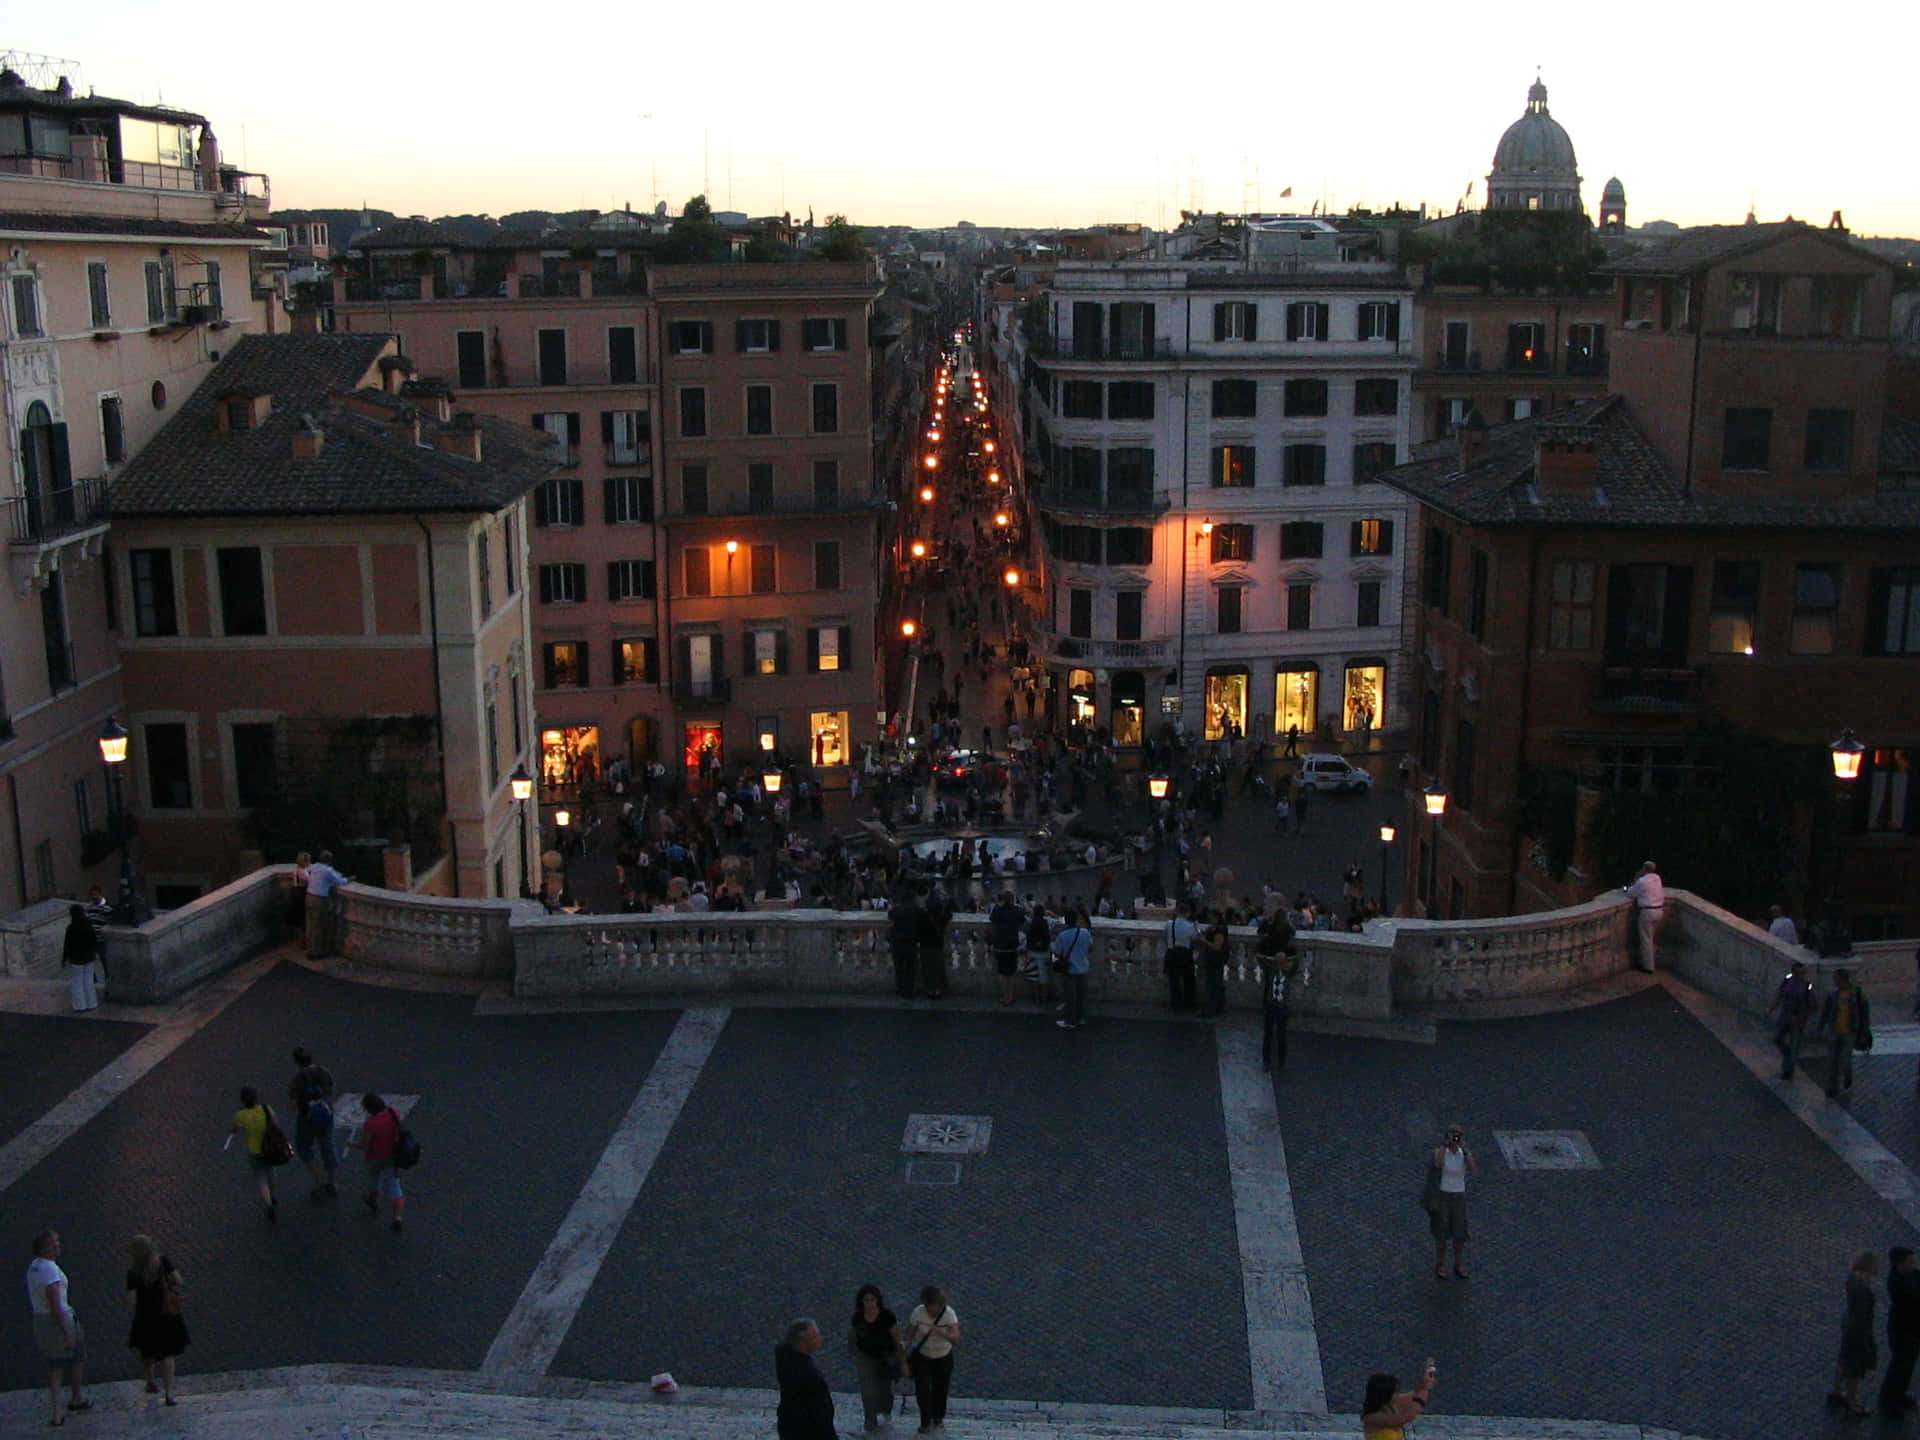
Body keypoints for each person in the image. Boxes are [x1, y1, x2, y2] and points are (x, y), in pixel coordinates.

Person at [27, 1230, 90, 1426]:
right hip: (59, 1322)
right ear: (44, 1248)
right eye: (53, 1243)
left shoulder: (33, 1267)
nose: (58, 1246)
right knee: (75, 1357)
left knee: (55, 1366)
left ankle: (60, 1409)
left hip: (41, 1321)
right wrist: (67, 1332)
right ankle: (72, 1400)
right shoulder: (50, 1270)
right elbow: (55, 1303)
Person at [124, 1234, 187, 1405]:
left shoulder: (133, 1273)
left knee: (147, 1350)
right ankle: (169, 1393)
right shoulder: (163, 1262)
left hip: (144, 1316)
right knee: (167, 1354)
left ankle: (150, 1381)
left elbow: (132, 1300)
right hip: (165, 1313)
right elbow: (178, 1281)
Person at [847, 1284, 902, 1433]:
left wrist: (901, 1359)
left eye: (872, 1300)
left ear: (878, 1301)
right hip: (865, 1357)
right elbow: (853, 1335)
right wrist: (852, 1350)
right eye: (866, 1300)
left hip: (886, 1357)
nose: (870, 1303)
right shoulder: (858, 1317)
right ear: (862, 1301)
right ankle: (870, 1421)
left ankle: (885, 1414)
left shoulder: (887, 1317)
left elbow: (896, 1338)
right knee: (868, 1390)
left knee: (885, 1389)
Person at [905, 1285, 959, 1434]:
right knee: (922, 1390)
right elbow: (910, 1333)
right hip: (923, 1357)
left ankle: (938, 1417)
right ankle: (925, 1421)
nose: (930, 1310)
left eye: (933, 1307)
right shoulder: (918, 1313)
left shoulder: (949, 1314)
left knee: (940, 1389)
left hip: (943, 1357)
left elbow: (955, 1337)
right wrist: (903, 1350)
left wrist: (942, 1332)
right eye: (928, 1307)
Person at [350, 1092, 406, 1231]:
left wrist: (351, 1144)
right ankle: (397, 1217)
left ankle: (372, 1200)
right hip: (392, 1156)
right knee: (394, 1186)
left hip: (374, 1157)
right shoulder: (394, 1113)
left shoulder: (371, 1124)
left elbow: (365, 1145)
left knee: (374, 1180)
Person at [288, 1047, 338, 1199]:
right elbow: (330, 1090)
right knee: (327, 1146)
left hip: (307, 1118)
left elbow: (293, 1102)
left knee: (303, 1146)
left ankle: (318, 1178)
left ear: (296, 1062)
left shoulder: (297, 1079)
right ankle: (332, 1182)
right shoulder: (324, 1072)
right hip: (325, 1114)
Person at [1834, 1250, 1879, 1417]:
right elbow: (1863, 1315)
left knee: (1844, 1359)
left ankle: (1837, 1391)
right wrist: (1867, 1339)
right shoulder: (1862, 1286)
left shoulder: (1852, 1278)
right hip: (1857, 1331)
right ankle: (1851, 1402)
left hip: (1848, 1324)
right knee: (1855, 1368)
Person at [774, 1317, 835, 1440]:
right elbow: (819, 1413)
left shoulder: (786, 1358)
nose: (820, 1339)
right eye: (815, 1337)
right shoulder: (806, 1373)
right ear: (802, 1342)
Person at [1429, 1125, 1477, 1279]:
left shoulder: (1464, 1154)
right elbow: (1437, 1164)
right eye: (1453, 1136)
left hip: (1458, 1197)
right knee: (1442, 1234)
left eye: (1458, 1136)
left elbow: (1473, 1169)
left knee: (1459, 1234)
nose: (1455, 1140)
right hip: (1443, 1196)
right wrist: (1445, 1145)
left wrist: (1466, 1150)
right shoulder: (1441, 1152)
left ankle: (1459, 1263)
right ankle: (1441, 1264)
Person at [1816, 969, 1873, 1099]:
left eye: (1836, 979)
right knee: (1832, 1060)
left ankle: (1847, 1074)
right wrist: (1821, 1026)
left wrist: (1864, 1031)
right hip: (1835, 1030)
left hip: (1850, 1032)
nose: (1834, 982)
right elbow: (1826, 1011)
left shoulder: (1857, 995)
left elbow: (1864, 1015)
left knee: (1844, 1059)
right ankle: (1832, 1087)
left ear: (1843, 979)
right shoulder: (1833, 995)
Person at [228, 1085, 280, 1222]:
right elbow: (276, 1124)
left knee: (260, 1178)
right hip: (270, 1148)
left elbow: (235, 1130)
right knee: (271, 1173)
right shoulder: (267, 1109)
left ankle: (268, 1203)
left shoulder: (241, 1115)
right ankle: (272, 1196)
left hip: (255, 1151)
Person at [1880, 1246, 1920, 1419]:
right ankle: (1889, 1403)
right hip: (1903, 1330)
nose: (1914, 1263)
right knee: (1899, 1367)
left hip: (1912, 1329)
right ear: (1900, 1263)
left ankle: (1899, 1395)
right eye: (1911, 1261)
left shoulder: (1911, 1274)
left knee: (1908, 1366)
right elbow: (1911, 1303)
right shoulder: (1897, 1283)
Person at [1257, 910, 1298, 1073]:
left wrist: (1270, 958)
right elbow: (1295, 963)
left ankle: (1268, 1061)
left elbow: (1260, 957)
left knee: (1270, 1035)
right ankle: (1279, 1061)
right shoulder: (1287, 970)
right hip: (1281, 1005)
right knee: (1279, 1035)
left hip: (1272, 1003)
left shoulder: (1271, 969)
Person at [1766, 959, 1818, 1081]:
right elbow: (1779, 996)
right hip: (1784, 1017)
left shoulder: (1807, 986)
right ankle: (1788, 1056)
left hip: (1797, 1022)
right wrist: (1771, 1009)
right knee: (1777, 1039)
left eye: (1803, 973)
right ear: (1794, 972)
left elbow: (1814, 1005)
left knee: (1794, 1045)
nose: (1802, 975)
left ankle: (1788, 1070)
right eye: (1800, 973)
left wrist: (1802, 1017)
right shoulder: (1787, 981)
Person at [1362, 1362, 1436, 1438]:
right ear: (1383, 1395)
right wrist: (1424, 1391)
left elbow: (1414, 1394)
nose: (1398, 1394)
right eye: (1395, 1392)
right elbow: (1406, 1417)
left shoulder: (1391, 1404)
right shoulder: (1372, 1418)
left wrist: (1424, 1384)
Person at [1050, 907, 1092, 1030]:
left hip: (1070, 969)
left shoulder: (1063, 936)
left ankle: (1070, 1021)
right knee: (1081, 996)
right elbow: (1090, 947)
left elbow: (1057, 952)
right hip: (1083, 968)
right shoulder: (1085, 932)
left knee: (1070, 997)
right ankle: (1081, 1018)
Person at [304, 850, 349, 958]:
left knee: (310, 924)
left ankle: (310, 947)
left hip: (308, 896)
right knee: (319, 926)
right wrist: (348, 879)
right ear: (329, 860)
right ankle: (316, 952)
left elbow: (307, 870)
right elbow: (339, 881)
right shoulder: (327, 871)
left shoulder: (314, 867)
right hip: (318, 900)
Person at [1624, 860, 1665, 972]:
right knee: (1650, 938)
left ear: (1644, 869)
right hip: (1659, 911)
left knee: (1646, 940)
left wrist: (1628, 886)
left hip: (1648, 912)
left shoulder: (1642, 881)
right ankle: (1648, 963)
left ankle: (1648, 967)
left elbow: (1631, 893)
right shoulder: (1657, 878)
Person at [61, 903, 103, 1012]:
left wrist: (64, 959)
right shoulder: (88, 926)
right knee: (89, 981)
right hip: (88, 957)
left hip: (76, 958)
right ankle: (92, 1003)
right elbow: (94, 941)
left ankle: (80, 1005)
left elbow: (67, 945)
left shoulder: (71, 928)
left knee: (77, 982)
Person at [987, 891, 1024, 1007]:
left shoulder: (998, 910)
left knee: (1003, 974)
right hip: (1012, 946)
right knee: (1011, 973)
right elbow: (1022, 921)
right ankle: (1011, 996)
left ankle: (1005, 997)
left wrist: (998, 905)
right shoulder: (1017, 910)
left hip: (1000, 946)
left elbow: (992, 919)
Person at [889, 885, 924, 1001]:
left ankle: (901, 990)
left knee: (899, 967)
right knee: (910, 968)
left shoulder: (896, 910)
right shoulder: (917, 910)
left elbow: (890, 916)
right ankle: (909, 991)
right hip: (911, 942)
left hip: (897, 942)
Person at [1164, 901, 1199, 1012]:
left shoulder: (1169, 924)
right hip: (1185, 955)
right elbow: (1194, 938)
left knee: (1174, 981)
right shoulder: (1191, 926)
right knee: (1188, 981)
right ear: (1188, 913)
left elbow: (1166, 937)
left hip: (1171, 953)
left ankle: (1176, 1005)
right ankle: (1189, 1004)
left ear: (1176, 912)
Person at [1197, 913, 1230, 1019]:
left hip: (1215, 960)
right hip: (1213, 960)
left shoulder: (1219, 931)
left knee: (1214, 984)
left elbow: (1217, 946)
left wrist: (1204, 940)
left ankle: (1213, 1008)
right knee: (1215, 983)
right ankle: (1218, 1006)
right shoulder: (1213, 929)